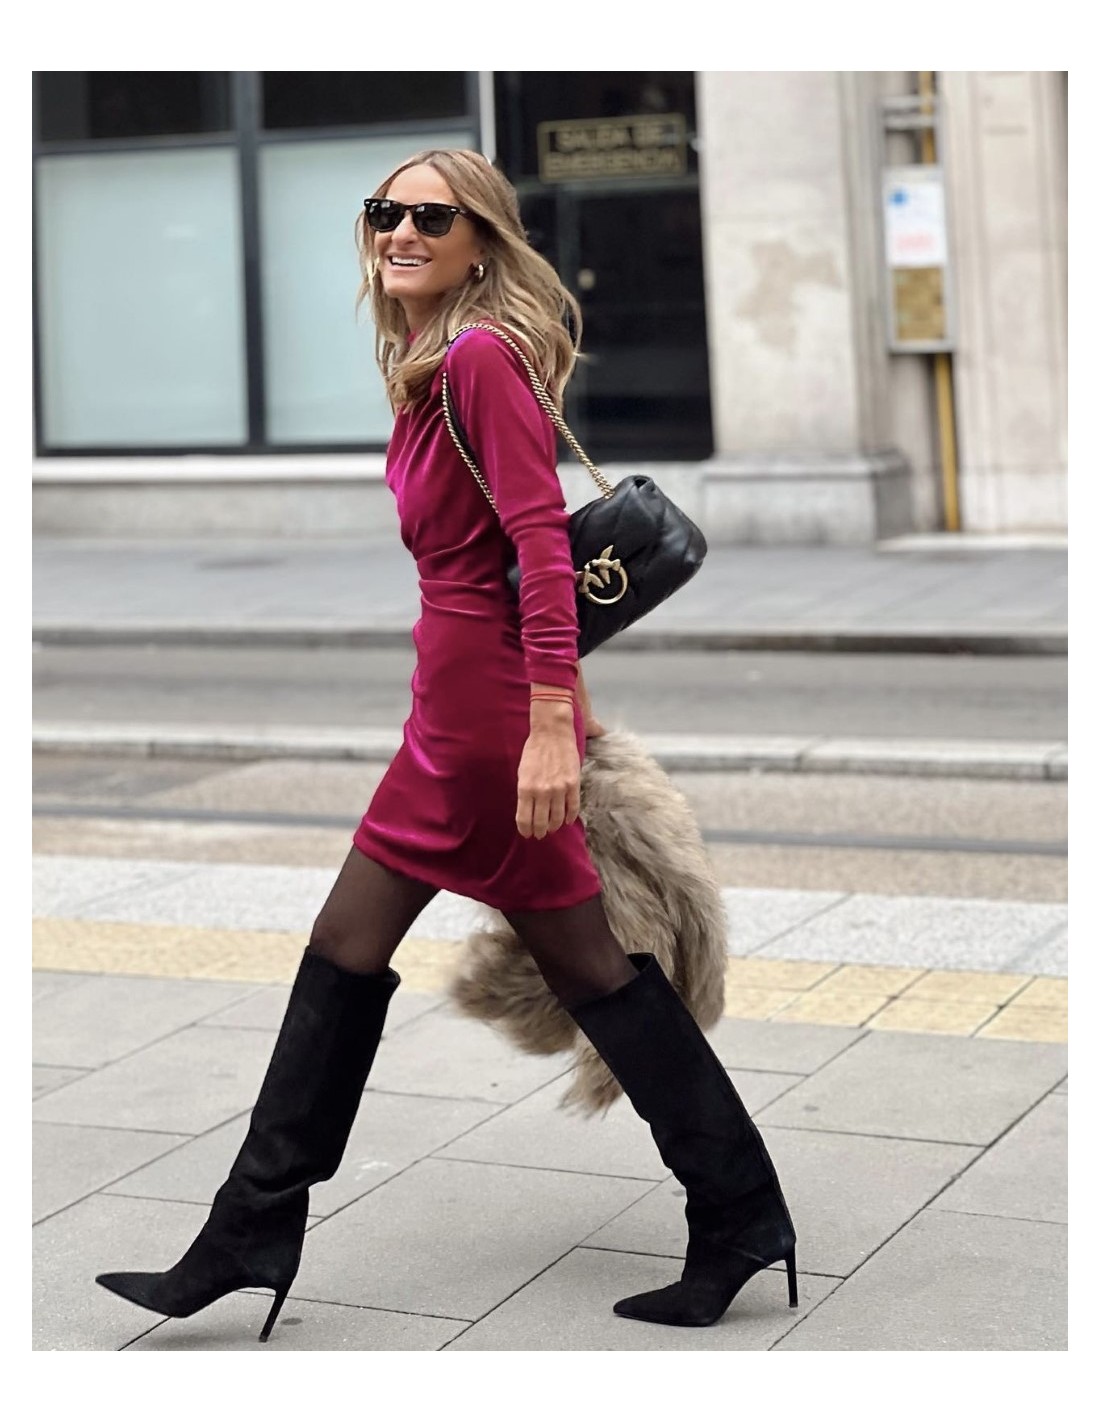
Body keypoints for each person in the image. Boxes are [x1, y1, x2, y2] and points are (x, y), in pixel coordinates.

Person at [95, 148, 797, 1341]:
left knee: (448, 955)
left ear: (482, 241)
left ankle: (254, 1228)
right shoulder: (430, 363)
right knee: (537, 965)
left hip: (489, 728)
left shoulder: (479, 360)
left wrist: (547, 728)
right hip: (452, 713)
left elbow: (540, 547)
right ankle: (736, 1215)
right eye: (387, 212)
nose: (402, 231)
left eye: (433, 215)